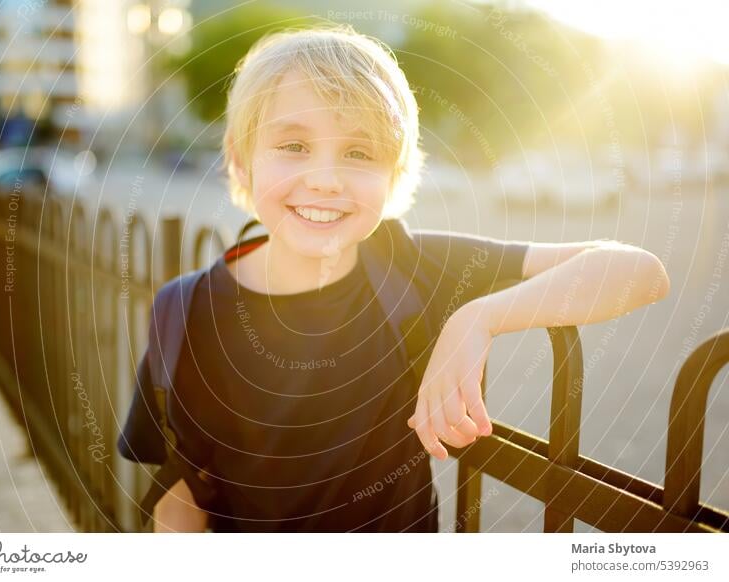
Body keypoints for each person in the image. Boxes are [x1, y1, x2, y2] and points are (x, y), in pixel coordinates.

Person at [118, 25, 671, 533]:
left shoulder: (412, 268)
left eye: (360, 152)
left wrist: (477, 317)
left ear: (395, 175)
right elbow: (183, 490)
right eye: (293, 146)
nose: (327, 179)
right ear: (242, 163)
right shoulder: (186, 310)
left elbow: (638, 272)